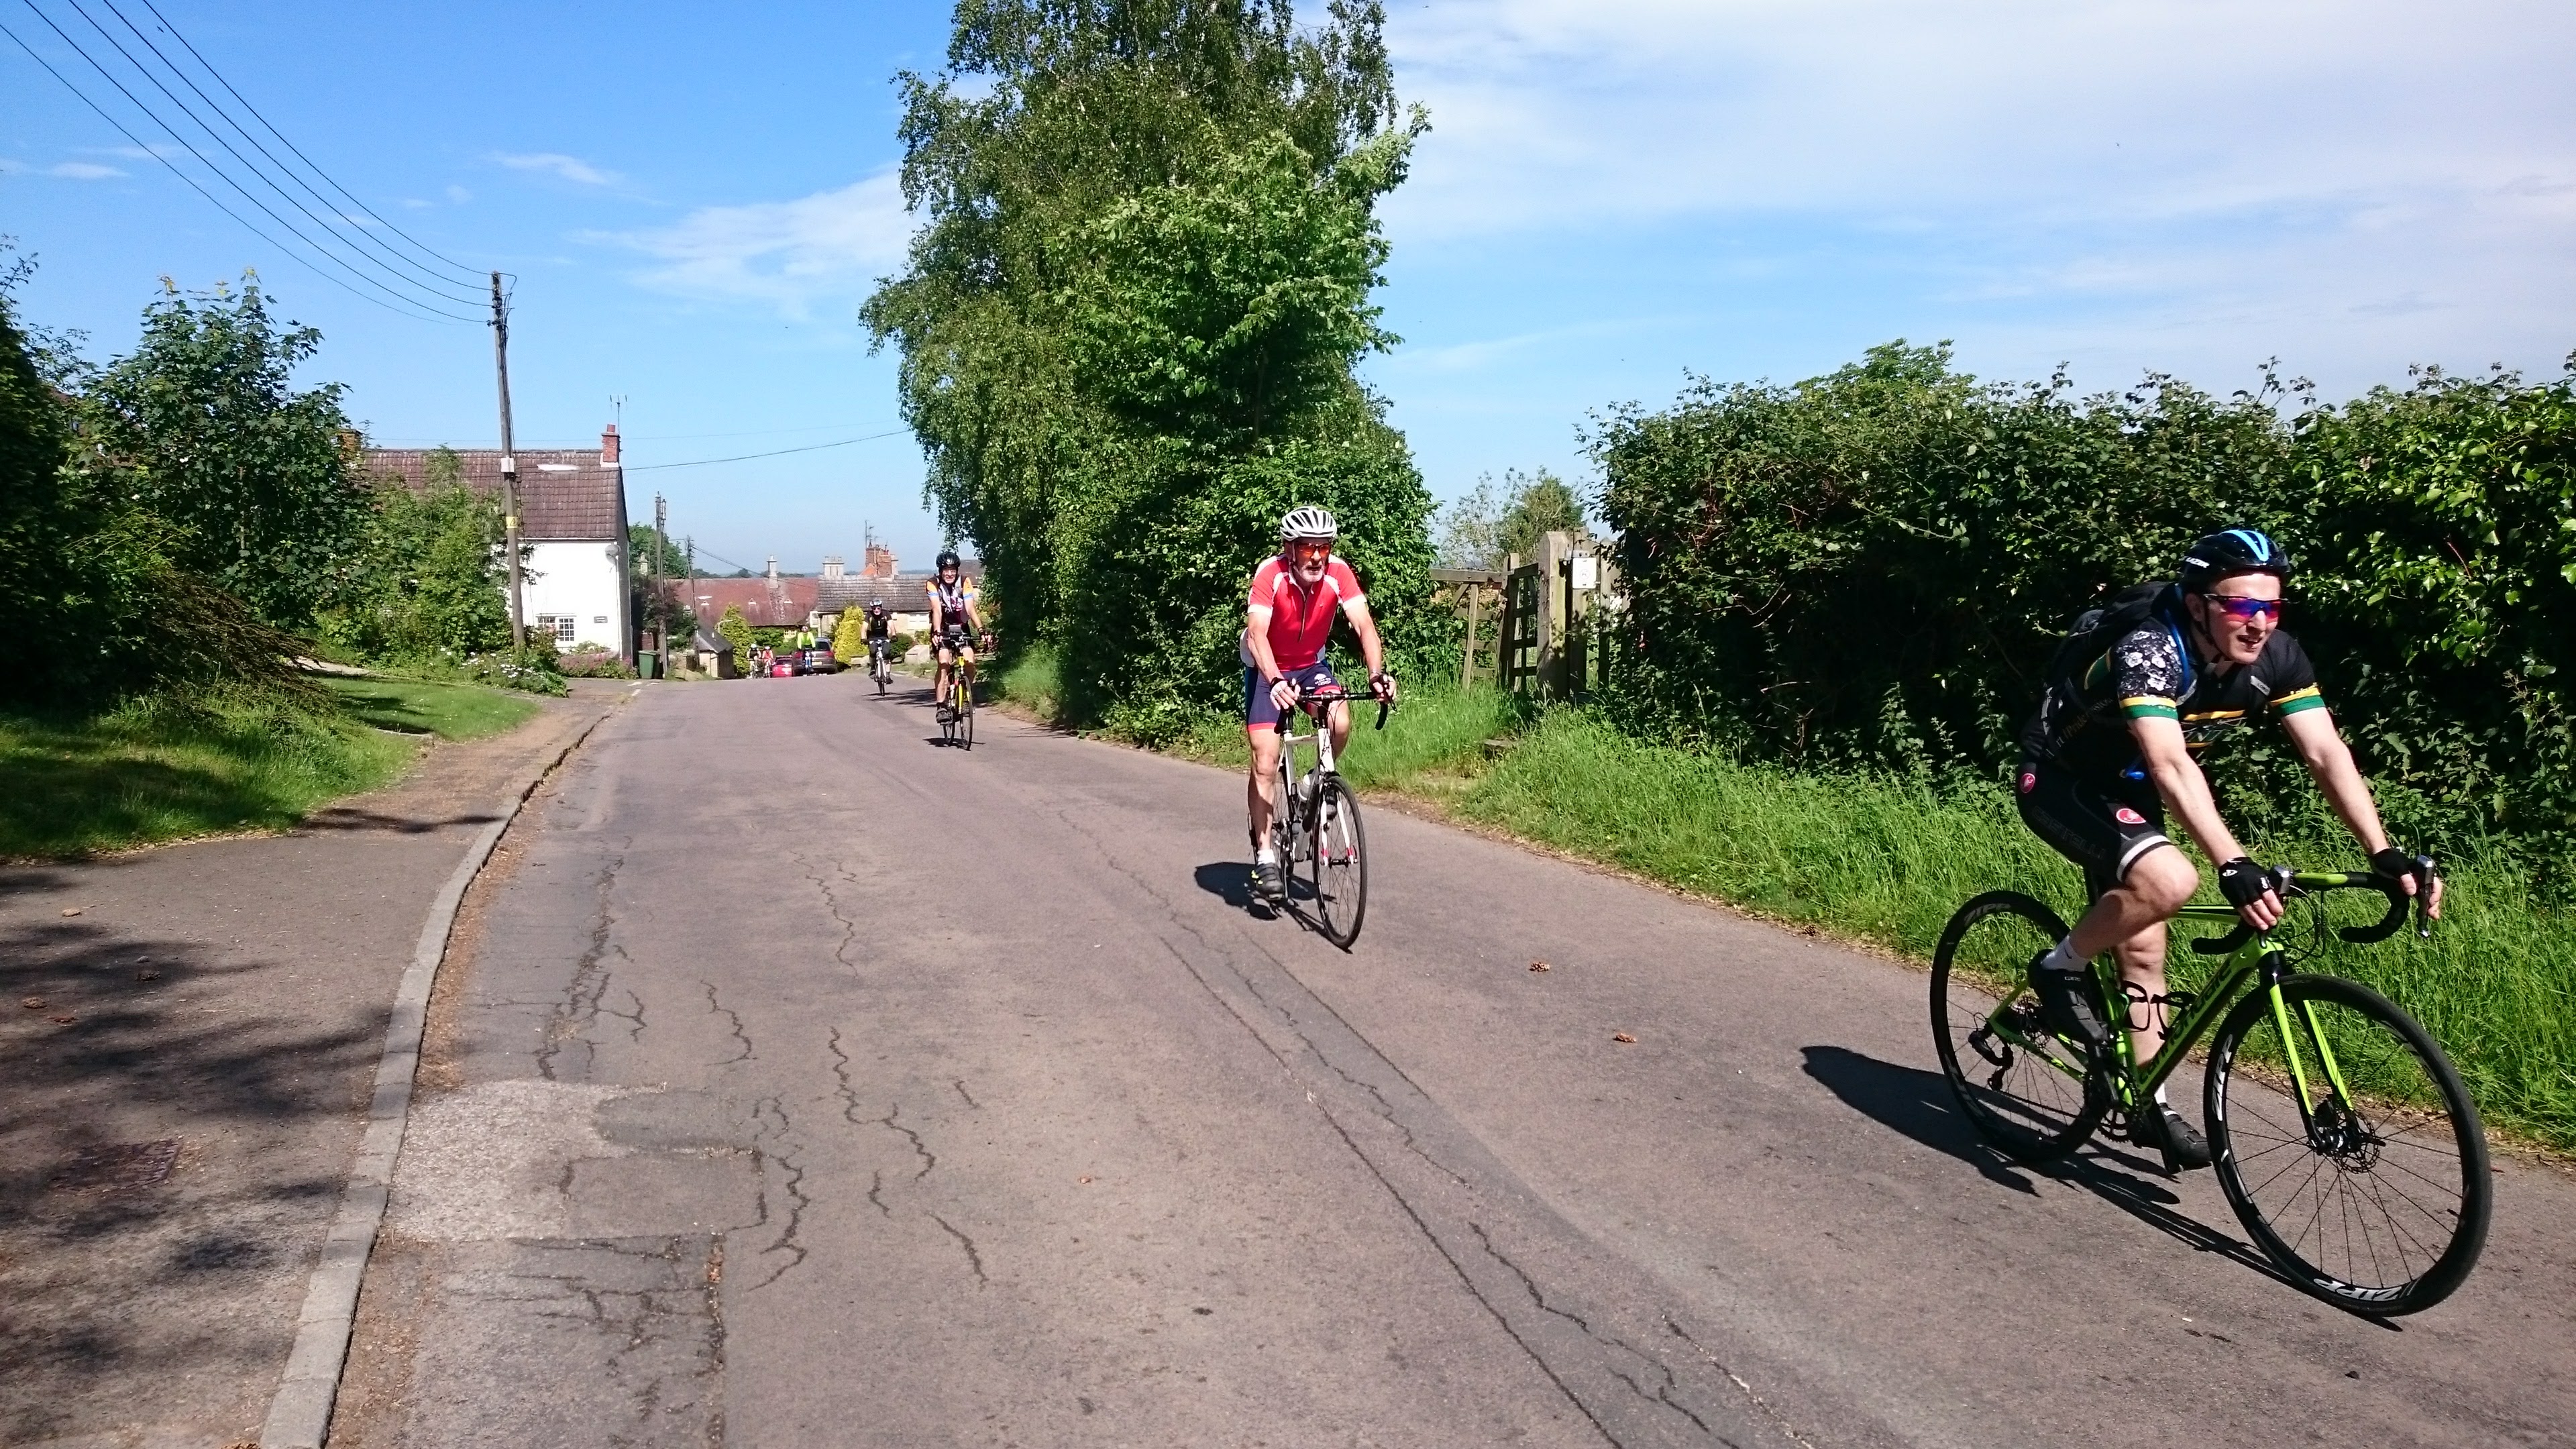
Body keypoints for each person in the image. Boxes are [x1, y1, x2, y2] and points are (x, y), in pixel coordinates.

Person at [2014, 527, 2438, 1171]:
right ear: (2197, 604)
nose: (2259, 623)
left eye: (2271, 607)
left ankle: (2144, 1098)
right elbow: (2169, 763)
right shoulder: (2152, 649)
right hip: (2064, 778)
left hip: (2130, 785)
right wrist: (2231, 863)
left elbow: (2326, 754)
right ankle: (2058, 967)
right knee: (2170, 883)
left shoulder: (2279, 657)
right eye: (2241, 606)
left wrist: (2383, 852)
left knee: (2145, 942)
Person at [1243, 506, 1395, 901]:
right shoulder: (1270, 574)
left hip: (1311, 667)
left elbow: (1364, 625)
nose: (1316, 556)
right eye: (1308, 547)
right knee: (1264, 760)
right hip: (1268, 669)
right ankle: (1263, 857)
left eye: (1324, 547)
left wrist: (1376, 674)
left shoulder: (1338, 573)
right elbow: (1257, 633)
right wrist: (1275, 680)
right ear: (1289, 548)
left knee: (1341, 720)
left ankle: (1314, 782)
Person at [926, 551, 983, 719]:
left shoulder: (965, 582)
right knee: (944, 662)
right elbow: (937, 609)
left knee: (970, 661)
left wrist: (981, 630)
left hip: (961, 627)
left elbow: (970, 609)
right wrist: (937, 631)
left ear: (957, 570)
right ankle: (941, 706)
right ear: (940, 570)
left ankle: (966, 697)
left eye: (952, 570)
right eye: (946, 570)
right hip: (943, 628)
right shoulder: (933, 584)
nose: (949, 573)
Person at [863, 600, 894, 676]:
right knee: (873, 652)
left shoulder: (886, 614)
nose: (876, 610)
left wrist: (894, 635)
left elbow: (892, 626)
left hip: (884, 637)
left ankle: (887, 676)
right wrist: (863, 638)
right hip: (872, 637)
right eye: (874, 609)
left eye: (878, 608)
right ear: (872, 609)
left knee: (886, 654)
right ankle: (873, 668)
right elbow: (864, 628)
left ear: (881, 608)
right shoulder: (869, 615)